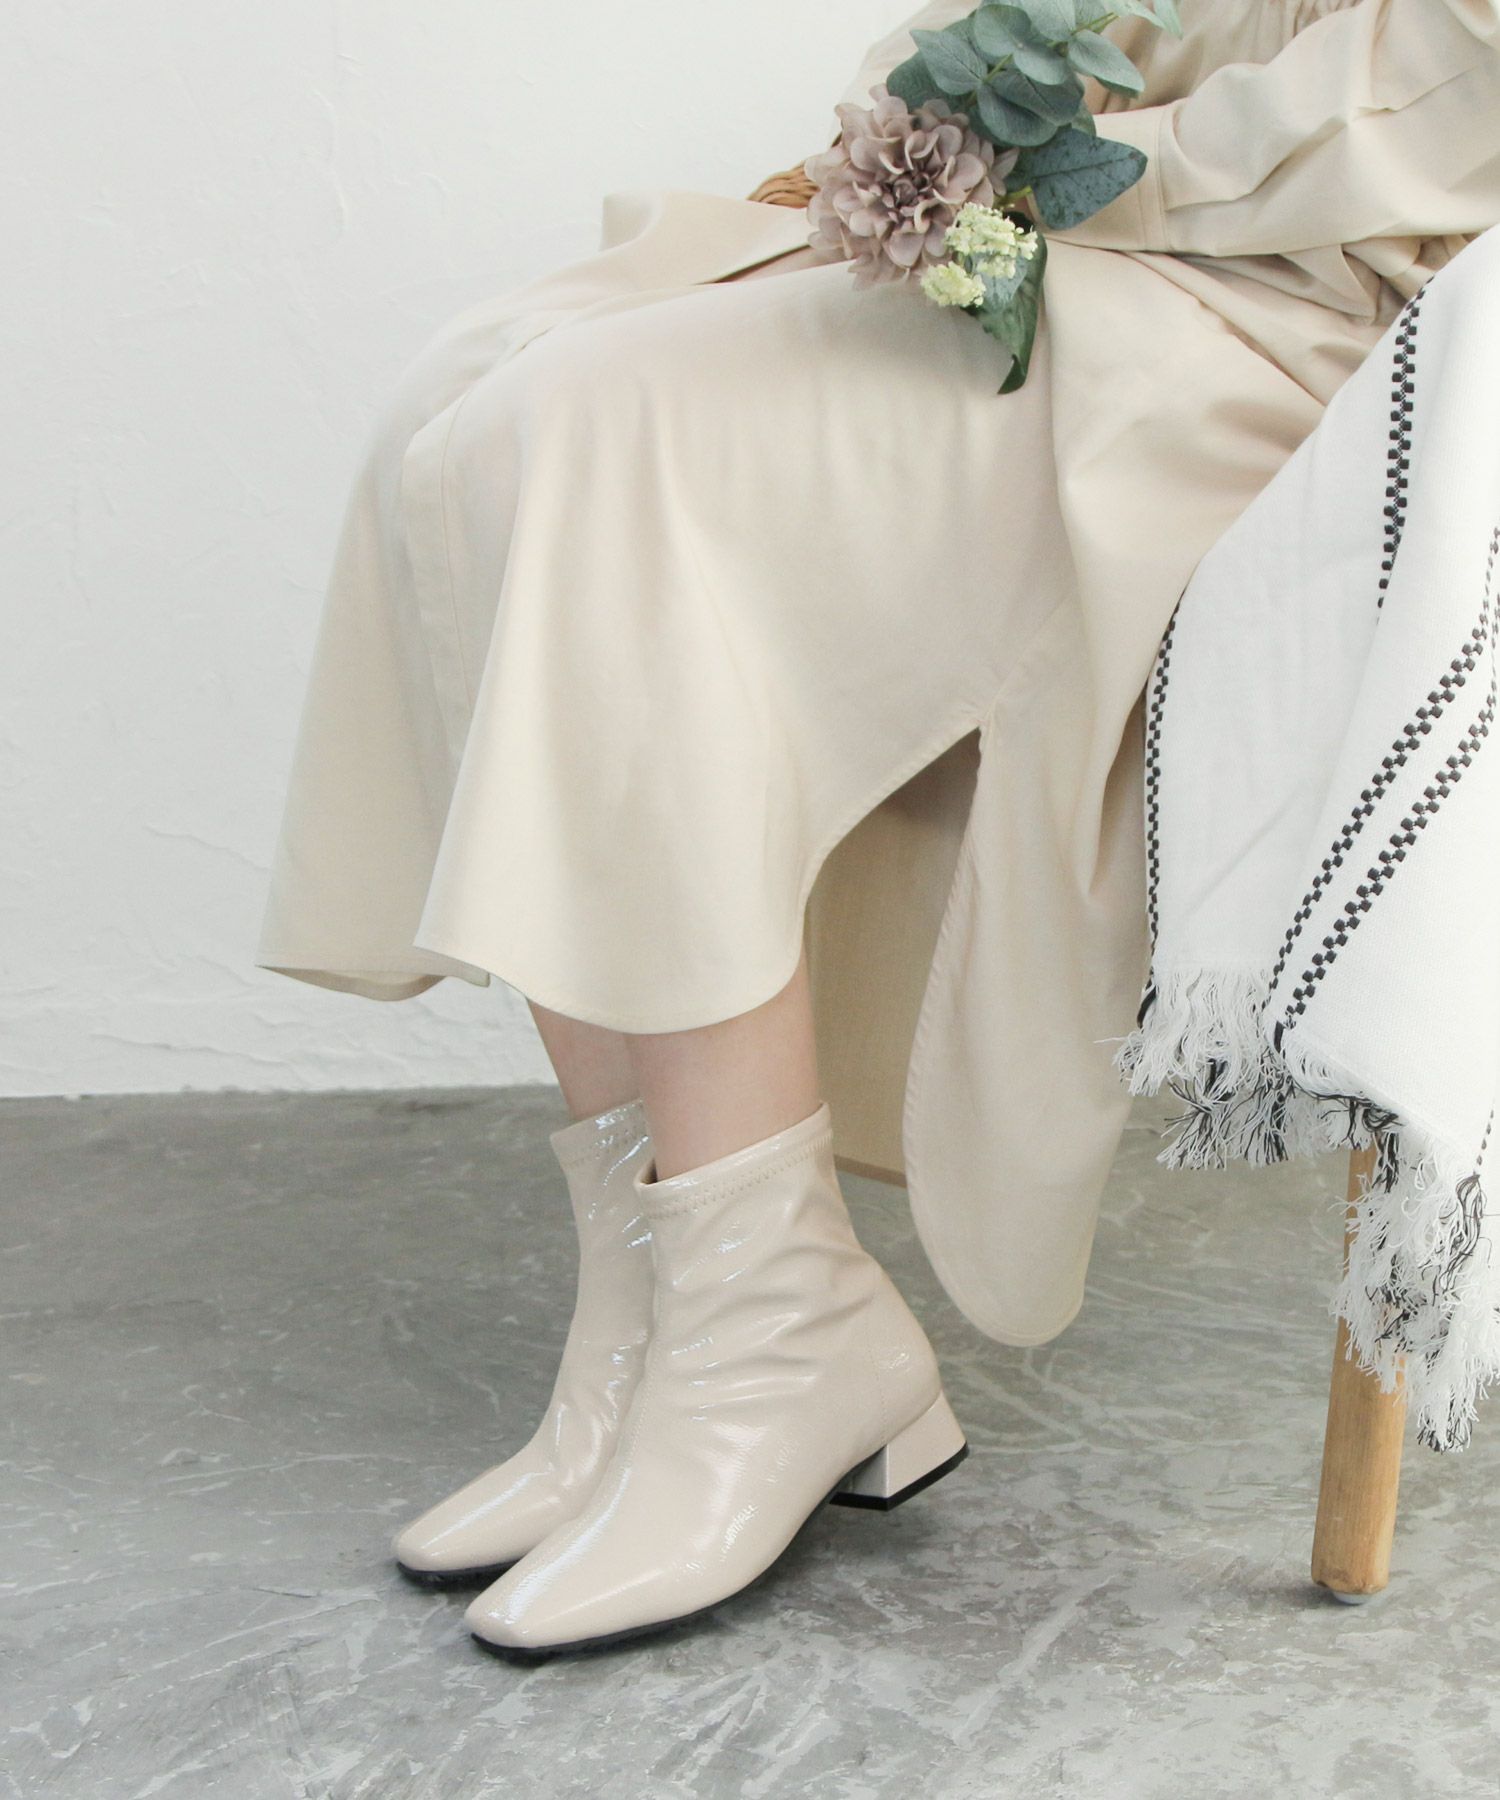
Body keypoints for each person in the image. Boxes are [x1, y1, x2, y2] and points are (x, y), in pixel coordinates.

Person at [254, 0, 1500, 1656]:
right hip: (1102, 244)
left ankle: (765, 1331)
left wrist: (1048, 175)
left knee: (617, 435)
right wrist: (938, 119)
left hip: (1325, 318)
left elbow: (1441, 94)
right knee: (479, 401)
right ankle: (685, 1308)